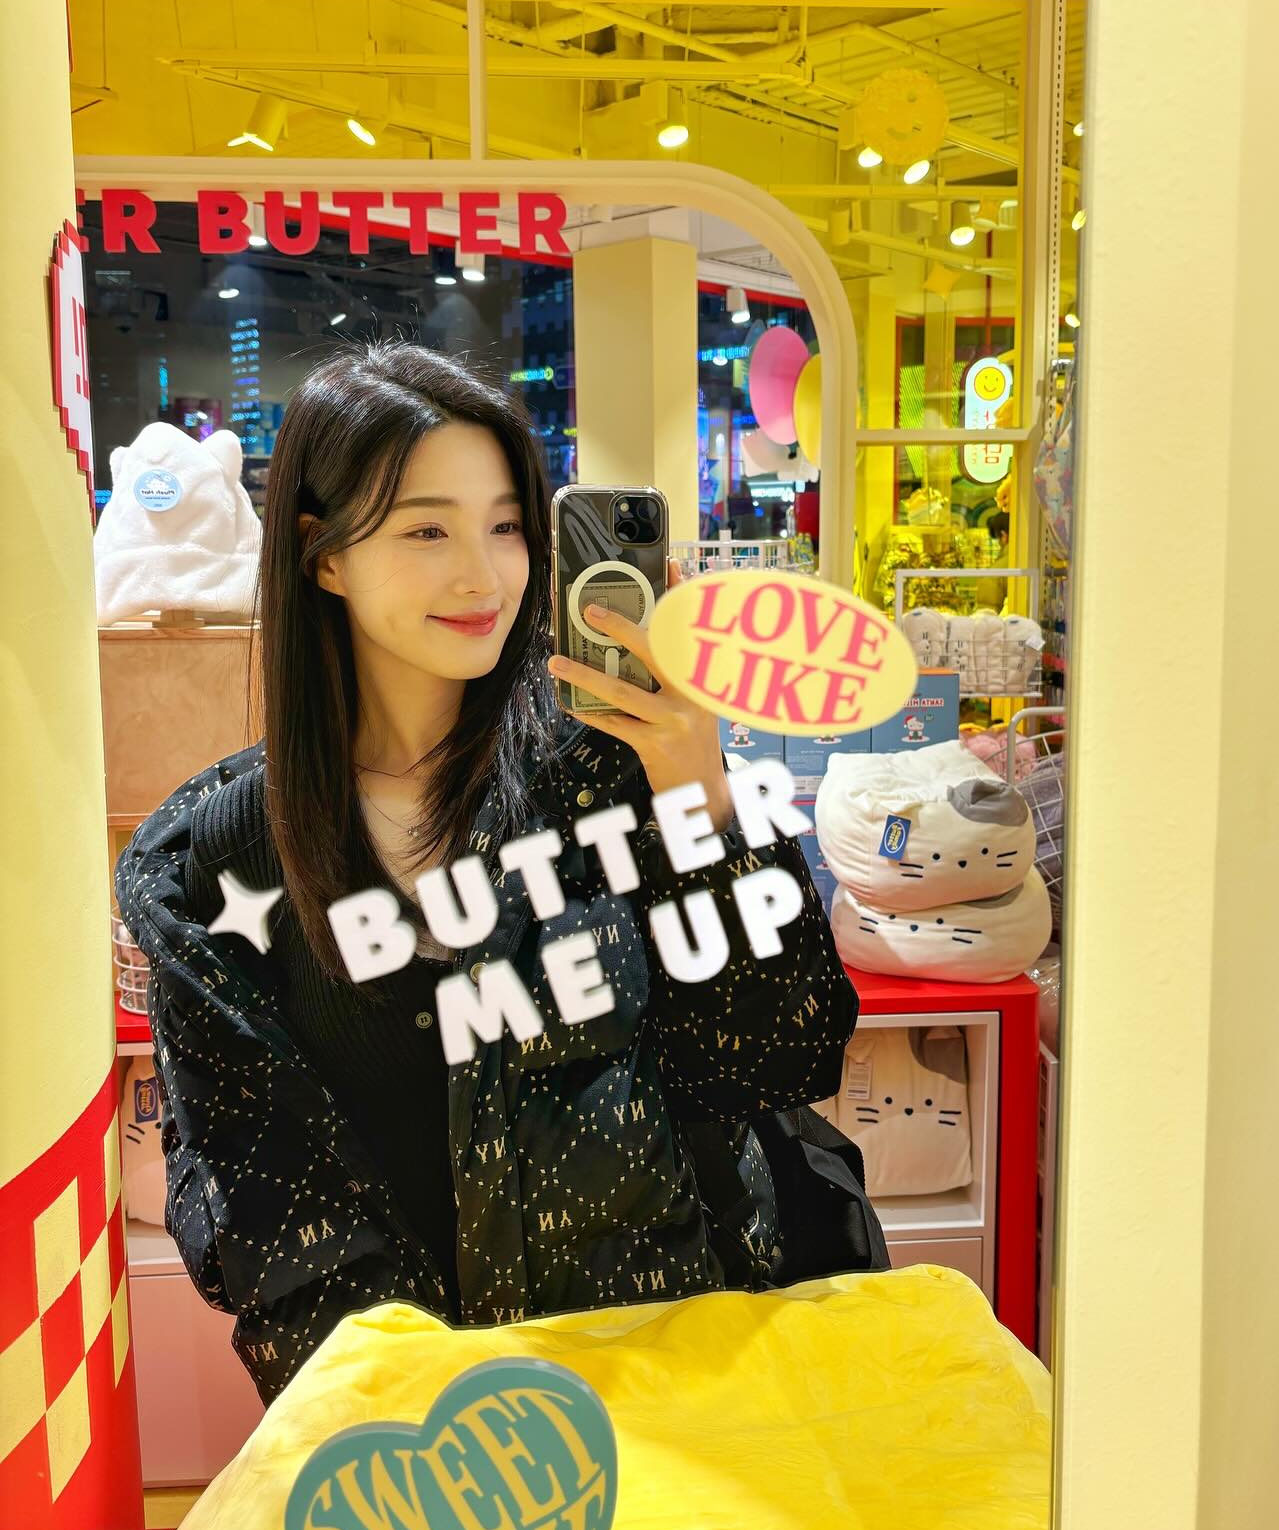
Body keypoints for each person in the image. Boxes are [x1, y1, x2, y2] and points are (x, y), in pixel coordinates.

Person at [116, 342, 879, 1404]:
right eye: (427, 529)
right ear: (321, 555)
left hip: (677, 1386)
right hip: (419, 1443)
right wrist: (428, 1425)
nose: (483, 575)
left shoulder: (612, 778)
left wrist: (700, 800)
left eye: (508, 526)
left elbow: (781, 1054)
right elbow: (267, 1211)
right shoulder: (220, 862)